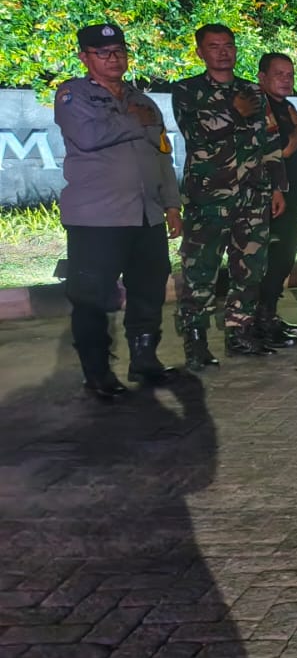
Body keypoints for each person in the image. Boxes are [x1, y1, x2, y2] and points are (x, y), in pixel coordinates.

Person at [55, 22, 182, 398]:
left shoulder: (142, 100)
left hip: (146, 215)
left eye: (120, 51)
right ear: (84, 57)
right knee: (91, 297)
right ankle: (96, 373)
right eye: (103, 53)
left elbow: (162, 155)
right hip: (98, 219)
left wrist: (171, 205)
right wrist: (131, 121)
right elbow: (87, 136)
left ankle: (145, 359)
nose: (114, 58)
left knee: (149, 290)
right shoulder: (73, 95)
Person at [172, 23, 288, 368]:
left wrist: (278, 187)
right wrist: (233, 112)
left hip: (253, 197)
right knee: (200, 270)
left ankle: (241, 333)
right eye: (214, 46)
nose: (223, 52)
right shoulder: (187, 90)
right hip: (208, 200)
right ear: (200, 52)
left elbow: (270, 139)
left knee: (250, 269)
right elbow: (194, 134)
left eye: (228, 45)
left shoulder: (253, 90)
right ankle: (196, 341)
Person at [255, 52, 297, 344]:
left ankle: (270, 316)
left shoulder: (284, 106)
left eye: (290, 75)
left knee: (284, 261)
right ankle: (261, 322)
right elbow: (283, 150)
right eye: (279, 74)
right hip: (274, 200)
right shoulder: (260, 107)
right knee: (273, 263)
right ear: (262, 77)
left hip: (293, 198)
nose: (286, 80)